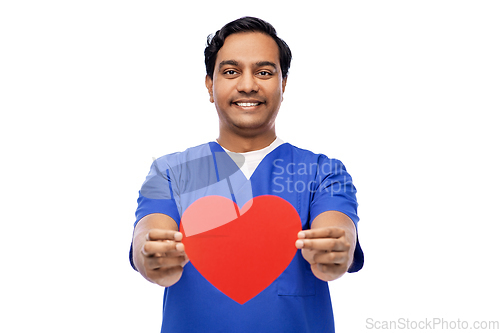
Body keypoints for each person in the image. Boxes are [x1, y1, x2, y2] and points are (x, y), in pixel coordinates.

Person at [130, 16, 364, 332]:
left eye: (264, 72)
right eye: (230, 72)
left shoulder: (322, 172)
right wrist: (153, 256)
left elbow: (339, 230)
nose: (248, 84)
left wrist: (336, 249)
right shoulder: (170, 172)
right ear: (210, 86)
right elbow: (147, 233)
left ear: (283, 85)